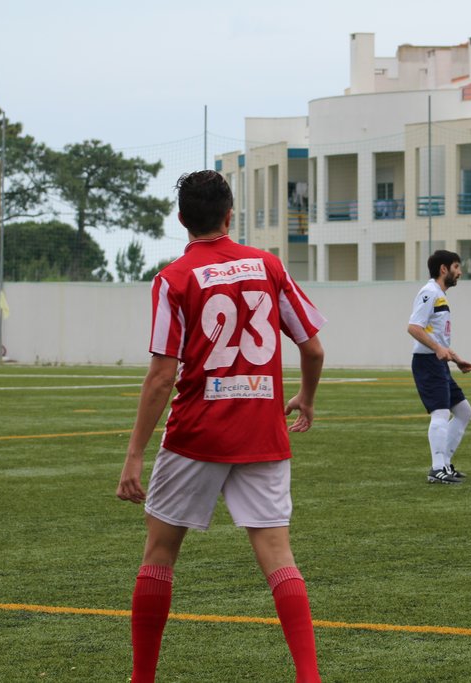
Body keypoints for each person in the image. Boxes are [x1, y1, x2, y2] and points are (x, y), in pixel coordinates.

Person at [116, 171, 325, 682]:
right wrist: (305, 397)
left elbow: (162, 375)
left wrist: (135, 453)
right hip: (262, 431)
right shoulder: (268, 265)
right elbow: (313, 347)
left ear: (181, 219)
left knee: (160, 552)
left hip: (197, 433)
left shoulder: (173, 279)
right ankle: (309, 676)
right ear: (231, 215)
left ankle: (143, 678)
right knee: (278, 556)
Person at [407, 250, 471, 484]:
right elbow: (414, 327)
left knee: (464, 411)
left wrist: (456, 359)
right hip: (427, 363)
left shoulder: (439, 295)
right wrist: (437, 349)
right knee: (440, 413)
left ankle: (444, 464)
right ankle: (437, 469)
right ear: (443, 269)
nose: (460, 272)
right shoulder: (429, 293)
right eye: (456, 267)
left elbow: (437, 338)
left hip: (438, 363)